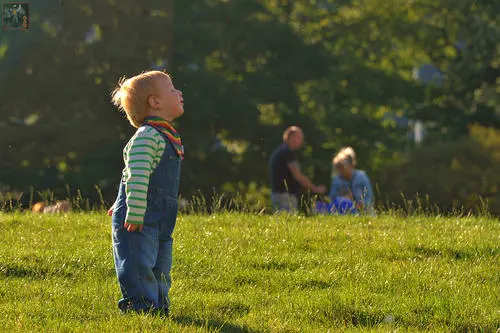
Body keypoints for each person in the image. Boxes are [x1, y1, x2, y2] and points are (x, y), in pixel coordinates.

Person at [108, 70, 184, 315]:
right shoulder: (147, 136)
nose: (179, 93)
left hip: (160, 215)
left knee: (160, 262)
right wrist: (133, 210)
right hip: (138, 215)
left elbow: (132, 173)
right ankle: (140, 309)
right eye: (172, 89)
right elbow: (137, 175)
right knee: (138, 262)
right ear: (156, 102)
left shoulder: (166, 135)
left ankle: (159, 307)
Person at [269, 126, 326, 212]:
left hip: (278, 195)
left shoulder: (280, 151)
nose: (301, 141)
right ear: (291, 137)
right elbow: (298, 175)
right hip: (285, 196)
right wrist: (315, 189)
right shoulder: (287, 152)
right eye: (299, 138)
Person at [328, 147, 374, 214]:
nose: (340, 170)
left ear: (351, 165)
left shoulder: (361, 177)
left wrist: (355, 205)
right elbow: (331, 200)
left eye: (342, 166)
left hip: (364, 213)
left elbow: (369, 199)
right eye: (338, 167)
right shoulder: (337, 180)